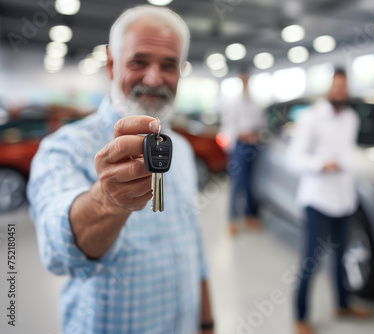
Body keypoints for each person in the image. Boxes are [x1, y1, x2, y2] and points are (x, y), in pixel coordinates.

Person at [27, 6, 214, 334]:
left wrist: (207, 321)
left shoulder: (180, 149)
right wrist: (106, 202)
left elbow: (193, 246)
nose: (154, 78)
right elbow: (58, 251)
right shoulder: (63, 148)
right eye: (139, 61)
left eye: (168, 65)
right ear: (111, 64)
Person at [286, 68, 372, 334]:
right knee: (311, 261)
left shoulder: (351, 118)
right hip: (317, 200)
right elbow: (294, 158)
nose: (339, 93)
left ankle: (343, 304)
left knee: (342, 256)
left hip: (344, 199)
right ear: (328, 88)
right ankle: (300, 316)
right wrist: (323, 164)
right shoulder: (311, 118)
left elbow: (349, 152)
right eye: (335, 88)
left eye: (343, 89)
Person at [220, 72, 265, 235]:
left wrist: (255, 134)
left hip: (253, 146)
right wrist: (240, 134)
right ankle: (232, 219)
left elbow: (260, 124)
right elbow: (228, 127)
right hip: (239, 147)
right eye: (243, 81)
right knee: (237, 183)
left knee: (250, 183)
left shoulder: (255, 104)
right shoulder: (234, 104)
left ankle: (249, 215)